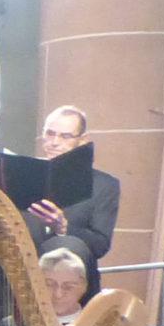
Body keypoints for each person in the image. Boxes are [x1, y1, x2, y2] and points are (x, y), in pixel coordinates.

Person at [24, 105, 122, 260]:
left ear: (82, 140)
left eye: (65, 136)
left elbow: (100, 245)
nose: (54, 142)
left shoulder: (103, 185)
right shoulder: (23, 175)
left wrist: (64, 227)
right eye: (50, 133)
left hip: (72, 274)